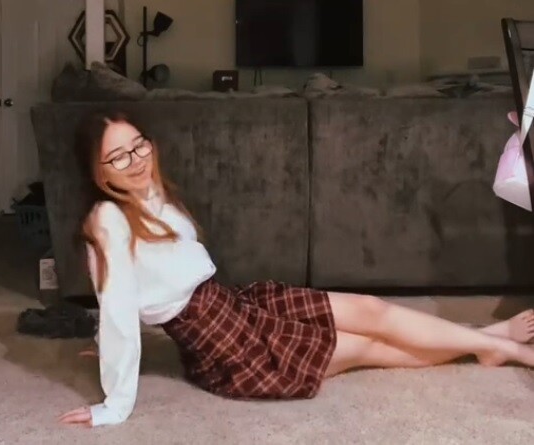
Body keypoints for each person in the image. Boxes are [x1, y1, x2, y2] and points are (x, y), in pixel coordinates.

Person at [59, 108, 534, 428]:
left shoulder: (148, 194)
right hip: (231, 352)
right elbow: (117, 300)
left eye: (139, 145)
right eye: (118, 156)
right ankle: (498, 347)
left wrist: (100, 342)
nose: (136, 161)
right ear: (98, 172)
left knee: (371, 309)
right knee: (368, 347)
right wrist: (113, 403)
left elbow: (130, 285)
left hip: (240, 307)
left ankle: (488, 340)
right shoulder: (107, 219)